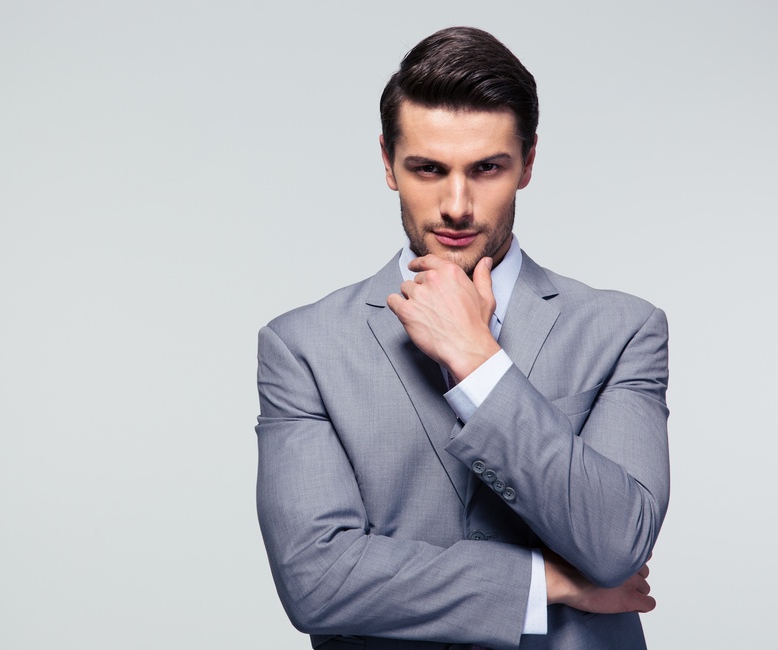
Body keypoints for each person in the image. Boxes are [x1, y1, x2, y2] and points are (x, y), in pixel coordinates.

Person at [255, 26, 670, 650]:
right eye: (428, 169)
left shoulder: (622, 330)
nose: (456, 205)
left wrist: (478, 361)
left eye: (486, 169)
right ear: (388, 164)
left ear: (528, 163)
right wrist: (545, 582)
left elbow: (616, 544)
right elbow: (316, 580)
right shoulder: (303, 348)